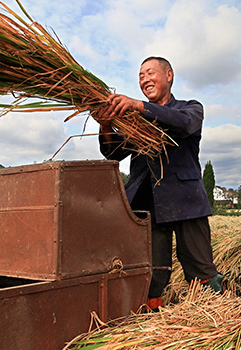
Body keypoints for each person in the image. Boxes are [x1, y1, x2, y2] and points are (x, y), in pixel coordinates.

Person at [93, 56, 224, 311]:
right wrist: (106, 125)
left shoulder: (190, 109)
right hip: (148, 205)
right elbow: (113, 153)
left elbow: (183, 125)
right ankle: (151, 322)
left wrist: (140, 106)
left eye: (150, 73)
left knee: (200, 267)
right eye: (141, 76)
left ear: (169, 75)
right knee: (152, 272)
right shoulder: (134, 120)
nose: (144, 79)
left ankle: (216, 316)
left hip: (187, 202)